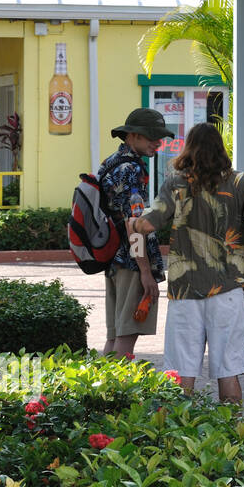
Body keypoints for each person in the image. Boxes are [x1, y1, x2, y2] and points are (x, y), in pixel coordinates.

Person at [130, 123, 244, 404]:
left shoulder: (175, 183)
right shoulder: (241, 183)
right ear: (220, 149)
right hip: (228, 291)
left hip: (185, 290)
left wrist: (133, 221)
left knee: (182, 372)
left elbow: (147, 224)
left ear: (189, 150)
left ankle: (180, 438)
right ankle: (234, 437)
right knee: (228, 372)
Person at [99, 108, 174, 359]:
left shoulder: (111, 163)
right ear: (132, 136)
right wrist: (144, 271)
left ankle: (98, 393)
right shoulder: (131, 170)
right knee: (126, 337)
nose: (158, 142)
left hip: (113, 258)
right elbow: (134, 223)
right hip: (131, 261)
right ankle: (115, 394)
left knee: (114, 336)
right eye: (151, 136)